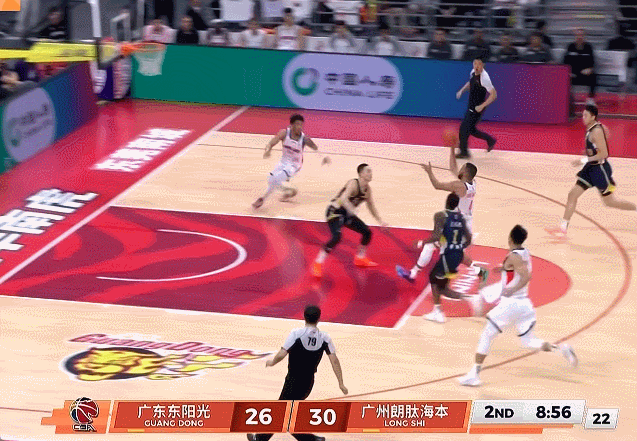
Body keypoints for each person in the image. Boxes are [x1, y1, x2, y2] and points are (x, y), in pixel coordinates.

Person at [458, 225, 578, 386]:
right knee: (528, 341)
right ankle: (561, 349)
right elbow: (518, 268)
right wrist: (502, 269)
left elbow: (526, 276)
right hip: (525, 305)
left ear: (510, 238)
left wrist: (512, 289)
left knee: (486, 335)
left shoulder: (514, 257)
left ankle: (475, 374)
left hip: (512, 304)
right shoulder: (524, 252)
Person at [247, 305, 347, 441]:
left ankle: (262, 439)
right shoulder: (325, 338)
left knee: (282, 413)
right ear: (319, 318)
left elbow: (282, 353)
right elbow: (334, 361)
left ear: (304, 316)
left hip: (293, 380)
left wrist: (272, 362)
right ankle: (262, 438)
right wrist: (341, 383)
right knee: (287, 414)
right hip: (308, 381)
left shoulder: (296, 334)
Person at [397, 147, 487, 283]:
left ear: (464, 172)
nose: (459, 169)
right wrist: (452, 149)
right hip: (465, 223)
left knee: (430, 245)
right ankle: (479, 271)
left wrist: (429, 172)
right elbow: (453, 169)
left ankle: (413, 274)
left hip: (457, 225)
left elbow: (437, 185)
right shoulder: (472, 183)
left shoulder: (459, 186)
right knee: (455, 252)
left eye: (462, 167)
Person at [549, 105, 636, 236]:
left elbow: (604, 154)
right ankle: (563, 229)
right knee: (572, 195)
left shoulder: (596, 131)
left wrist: (583, 160)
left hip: (601, 171)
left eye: (586, 115)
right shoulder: (593, 127)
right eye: (583, 115)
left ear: (593, 117)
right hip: (591, 169)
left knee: (610, 202)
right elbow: (605, 137)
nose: (583, 118)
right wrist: (590, 151)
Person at [403, 193, 473, 323]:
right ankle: (472, 289)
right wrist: (459, 247)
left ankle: (439, 312)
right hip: (456, 251)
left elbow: (436, 235)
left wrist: (421, 242)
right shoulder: (461, 218)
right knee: (442, 286)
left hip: (447, 253)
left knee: (436, 281)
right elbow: (469, 238)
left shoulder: (440, 215)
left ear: (446, 202)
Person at [311, 164, 387, 278]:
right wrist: (352, 210)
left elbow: (371, 206)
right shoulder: (353, 183)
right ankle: (318, 263)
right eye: (368, 171)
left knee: (367, 232)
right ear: (361, 174)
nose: (370, 173)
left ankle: (360, 258)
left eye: (371, 171)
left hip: (347, 214)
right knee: (337, 237)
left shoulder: (367, 190)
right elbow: (343, 199)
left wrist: (380, 221)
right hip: (335, 211)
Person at [253, 114, 328, 209]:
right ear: (291, 125)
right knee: (271, 179)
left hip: (294, 165)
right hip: (283, 162)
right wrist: (268, 150)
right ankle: (291, 190)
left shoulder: (304, 139)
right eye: (297, 124)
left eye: (301, 125)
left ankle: (262, 199)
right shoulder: (284, 133)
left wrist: (324, 157)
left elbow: (315, 147)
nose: (300, 127)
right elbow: (272, 142)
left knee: (277, 178)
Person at [455, 57, 498, 158]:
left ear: (483, 65)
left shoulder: (484, 78)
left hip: (477, 109)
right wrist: (462, 90)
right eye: (475, 64)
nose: (476, 66)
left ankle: (464, 153)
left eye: (479, 64)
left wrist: (482, 106)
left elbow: (494, 95)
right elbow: (470, 82)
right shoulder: (473, 72)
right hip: (471, 105)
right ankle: (490, 140)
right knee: (471, 130)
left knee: (463, 129)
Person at [563, 29, 596, 105]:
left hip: (584, 73)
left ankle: (590, 99)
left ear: (584, 37)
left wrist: (590, 69)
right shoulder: (570, 46)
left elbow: (592, 62)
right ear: (575, 36)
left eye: (581, 35)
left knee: (593, 75)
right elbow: (565, 61)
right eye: (578, 35)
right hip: (573, 73)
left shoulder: (588, 47)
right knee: (564, 76)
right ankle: (568, 97)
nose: (579, 37)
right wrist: (569, 72)